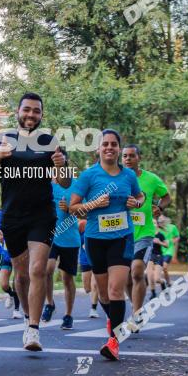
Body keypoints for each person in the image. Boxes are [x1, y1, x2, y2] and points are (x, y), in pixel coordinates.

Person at [0, 92, 70, 352]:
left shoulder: (50, 141)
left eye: (36, 111)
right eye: (27, 110)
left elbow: (64, 183)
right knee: (21, 274)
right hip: (12, 216)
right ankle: (25, 315)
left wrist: (62, 165)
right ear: (18, 111)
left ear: (42, 115)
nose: (31, 115)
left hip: (42, 214)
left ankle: (33, 330)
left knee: (38, 270)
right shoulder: (2, 139)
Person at [69, 129, 144, 360]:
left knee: (115, 289)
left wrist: (137, 202)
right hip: (95, 240)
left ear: (119, 149)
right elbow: (73, 208)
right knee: (102, 293)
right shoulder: (89, 176)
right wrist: (93, 204)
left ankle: (114, 342)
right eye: (105, 144)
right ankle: (114, 321)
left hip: (121, 238)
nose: (109, 147)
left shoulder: (128, 176)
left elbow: (140, 197)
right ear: (98, 149)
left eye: (113, 144)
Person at [121, 144, 170, 329]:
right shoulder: (116, 178)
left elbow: (166, 196)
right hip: (122, 233)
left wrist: (160, 206)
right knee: (126, 278)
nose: (127, 159)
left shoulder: (151, 179)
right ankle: (135, 306)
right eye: (125, 156)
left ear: (138, 158)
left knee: (137, 271)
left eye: (131, 156)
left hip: (145, 233)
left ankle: (136, 313)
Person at [45, 178, 80, 330]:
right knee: (47, 269)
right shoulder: (47, 185)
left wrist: (70, 209)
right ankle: (49, 303)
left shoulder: (77, 185)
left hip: (70, 238)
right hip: (51, 236)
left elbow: (85, 210)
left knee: (67, 278)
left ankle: (68, 315)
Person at [78, 219, 100, 317]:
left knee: (95, 284)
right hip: (85, 259)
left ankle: (93, 309)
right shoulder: (82, 224)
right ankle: (102, 293)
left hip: (97, 258)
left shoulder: (100, 223)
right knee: (87, 288)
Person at [148, 221, 168, 300]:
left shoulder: (161, 235)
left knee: (156, 279)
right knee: (150, 277)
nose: (153, 224)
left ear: (157, 225)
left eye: (155, 223)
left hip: (158, 256)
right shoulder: (147, 234)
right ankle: (153, 293)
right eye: (151, 223)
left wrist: (159, 242)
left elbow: (166, 245)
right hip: (150, 257)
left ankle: (163, 282)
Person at [160, 216, 180, 289]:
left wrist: (172, 241)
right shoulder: (156, 227)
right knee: (158, 269)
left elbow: (177, 237)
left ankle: (167, 282)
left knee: (164, 267)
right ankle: (163, 281)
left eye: (163, 220)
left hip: (169, 250)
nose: (161, 221)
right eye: (160, 220)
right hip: (159, 250)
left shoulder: (172, 227)